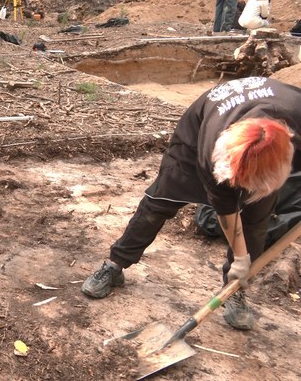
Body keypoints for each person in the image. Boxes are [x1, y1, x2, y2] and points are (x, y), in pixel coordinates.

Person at [81, 77, 301, 331]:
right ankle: (115, 264)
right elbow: (226, 211)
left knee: (256, 222)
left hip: (270, 152)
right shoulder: (214, 150)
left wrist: (243, 259)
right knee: (158, 204)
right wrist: (241, 257)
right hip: (195, 140)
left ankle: (233, 290)